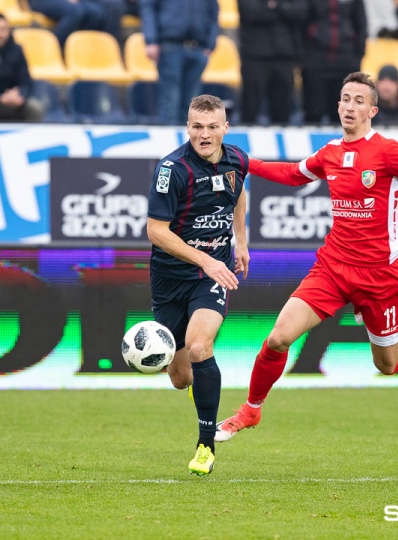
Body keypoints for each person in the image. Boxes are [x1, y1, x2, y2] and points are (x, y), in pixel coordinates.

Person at [214, 71, 398, 443]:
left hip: (380, 276)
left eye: (359, 101)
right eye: (345, 99)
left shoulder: (388, 152)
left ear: (373, 110)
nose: (350, 107)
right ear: (338, 105)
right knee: (278, 337)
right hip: (332, 268)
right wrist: (245, 162)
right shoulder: (330, 153)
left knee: (387, 364)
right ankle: (250, 410)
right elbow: (293, 174)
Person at [146, 94, 250, 475]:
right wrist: (202, 258)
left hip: (214, 274)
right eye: (196, 127)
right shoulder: (171, 170)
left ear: (225, 127)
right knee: (180, 376)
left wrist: (240, 240)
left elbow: (238, 194)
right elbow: (155, 231)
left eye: (211, 127)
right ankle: (199, 384)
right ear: (187, 127)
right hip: (170, 278)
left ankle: (205, 445)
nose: (204, 135)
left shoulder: (237, 159)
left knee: (200, 346)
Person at [138, 0, 219, 126]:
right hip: (170, 45)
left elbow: (214, 11)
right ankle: (169, 141)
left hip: (198, 47)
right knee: (170, 100)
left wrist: (210, 43)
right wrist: (151, 40)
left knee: (192, 103)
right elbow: (148, 8)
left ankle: (188, 142)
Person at [237, 0, 309, 125]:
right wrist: (284, 8)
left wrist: (275, 5)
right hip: (254, 56)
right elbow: (251, 13)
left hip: (285, 56)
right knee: (251, 107)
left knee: (282, 110)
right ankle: (244, 143)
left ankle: (281, 142)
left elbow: (300, 13)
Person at [300, 0, 367, 124]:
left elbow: (361, 24)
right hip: (316, 61)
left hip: (346, 61)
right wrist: (305, 57)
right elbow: (301, 23)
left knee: (344, 114)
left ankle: (345, 144)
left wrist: (357, 57)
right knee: (313, 112)